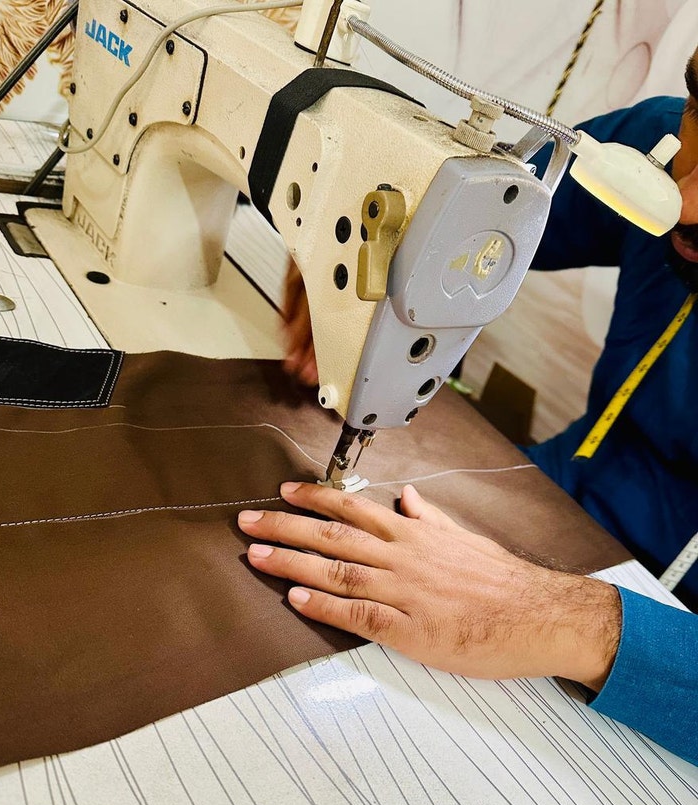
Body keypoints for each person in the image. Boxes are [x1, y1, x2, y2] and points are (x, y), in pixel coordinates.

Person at [238, 52, 698, 767]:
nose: (687, 203)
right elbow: (484, 213)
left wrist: (584, 625)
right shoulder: (656, 150)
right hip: (563, 487)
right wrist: (354, 233)